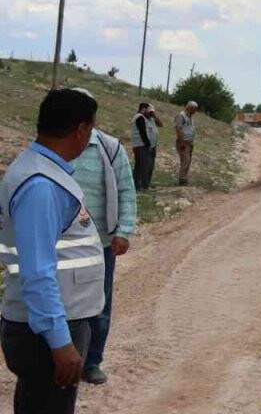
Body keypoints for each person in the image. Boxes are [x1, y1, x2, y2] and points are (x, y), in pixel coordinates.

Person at [0, 88, 106, 413]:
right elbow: (37, 272)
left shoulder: (42, 172)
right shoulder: (41, 186)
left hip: (50, 323)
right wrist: (60, 342)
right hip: (46, 332)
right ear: (81, 130)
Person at [69, 101, 136, 386]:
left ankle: (92, 361)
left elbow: (126, 191)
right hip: (63, 242)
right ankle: (64, 358)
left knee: (100, 303)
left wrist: (124, 230)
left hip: (101, 243)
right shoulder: (58, 146)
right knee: (63, 303)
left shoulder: (109, 148)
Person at [129, 103, 162, 190]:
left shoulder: (149, 119)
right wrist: (148, 145)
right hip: (142, 145)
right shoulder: (139, 117)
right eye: (147, 109)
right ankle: (141, 185)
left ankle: (142, 184)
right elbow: (143, 133)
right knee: (143, 166)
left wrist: (154, 115)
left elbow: (160, 124)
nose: (149, 111)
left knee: (146, 166)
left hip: (149, 145)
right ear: (143, 109)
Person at [174, 102, 198, 186]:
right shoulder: (181, 116)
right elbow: (178, 129)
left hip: (189, 142)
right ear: (189, 108)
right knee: (185, 160)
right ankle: (182, 180)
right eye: (194, 108)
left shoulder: (190, 117)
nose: (195, 111)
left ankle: (184, 178)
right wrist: (182, 142)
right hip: (183, 142)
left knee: (188, 161)